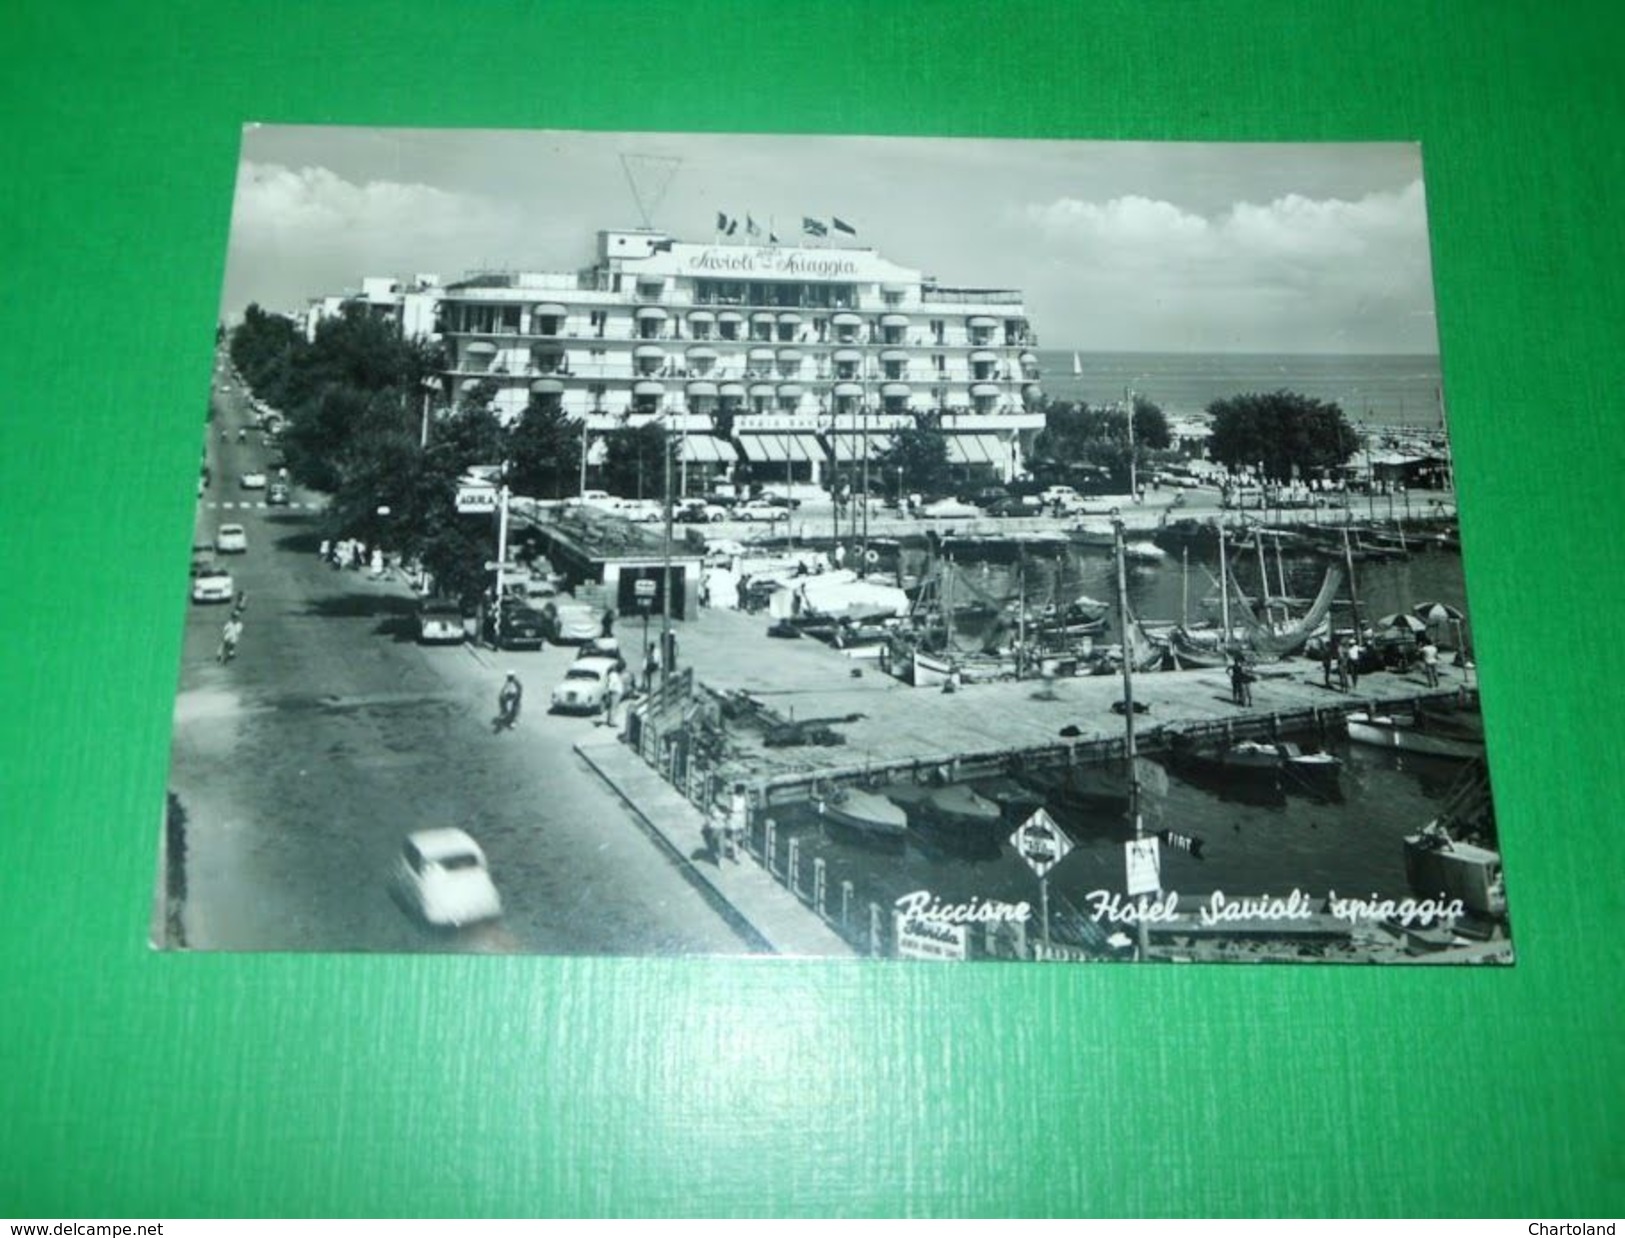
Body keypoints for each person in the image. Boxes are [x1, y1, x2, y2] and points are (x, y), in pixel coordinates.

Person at [600, 661, 624, 728]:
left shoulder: (614, 674)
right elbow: (612, 683)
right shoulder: (613, 675)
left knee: (613, 707)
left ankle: (610, 720)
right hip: (615, 692)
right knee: (614, 707)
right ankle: (611, 721)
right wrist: (609, 691)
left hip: (616, 692)